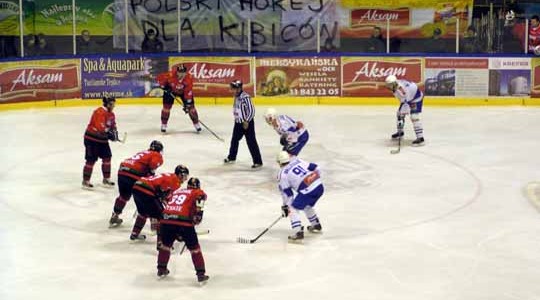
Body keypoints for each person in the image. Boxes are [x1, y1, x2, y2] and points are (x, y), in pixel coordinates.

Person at [157, 177, 209, 284]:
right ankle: (200, 274)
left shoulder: (177, 192)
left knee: (165, 245)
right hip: (183, 221)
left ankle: (161, 269)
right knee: (195, 248)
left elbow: (166, 199)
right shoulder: (197, 192)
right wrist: (198, 217)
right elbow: (200, 199)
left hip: (166, 219)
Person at [108, 140, 164, 227]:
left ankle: (115, 215)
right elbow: (153, 165)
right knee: (149, 196)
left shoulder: (143, 152)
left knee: (124, 196)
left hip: (123, 171)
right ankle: (154, 223)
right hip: (135, 174)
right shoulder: (157, 155)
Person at [129, 165, 189, 242]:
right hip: (147, 189)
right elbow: (161, 193)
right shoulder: (175, 181)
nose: (185, 179)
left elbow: (164, 195)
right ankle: (161, 243)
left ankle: (134, 233)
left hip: (137, 186)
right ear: (180, 174)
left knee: (143, 213)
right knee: (162, 217)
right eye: (185, 176)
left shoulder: (170, 176)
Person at [276, 151, 324, 242]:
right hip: (319, 186)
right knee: (307, 205)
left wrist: (286, 207)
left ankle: (298, 232)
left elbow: (288, 194)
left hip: (308, 191)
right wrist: (315, 180)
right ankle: (316, 225)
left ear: (279, 162)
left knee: (292, 208)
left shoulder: (282, 174)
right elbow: (315, 167)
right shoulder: (297, 161)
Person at [82, 97, 120, 189]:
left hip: (102, 140)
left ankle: (106, 179)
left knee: (107, 157)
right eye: (112, 104)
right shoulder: (99, 112)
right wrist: (109, 134)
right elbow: (100, 127)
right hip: (92, 139)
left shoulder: (111, 114)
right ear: (107, 104)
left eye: (114, 104)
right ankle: (85, 181)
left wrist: (114, 132)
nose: (113, 106)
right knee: (91, 160)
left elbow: (113, 125)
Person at [224, 80, 263, 169]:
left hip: (247, 124)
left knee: (251, 142)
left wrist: (247, 121)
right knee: (234, 140)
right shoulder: (236, 97)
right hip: (238, 123)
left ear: (239, 89)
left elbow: (252, 111)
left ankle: (258, 161)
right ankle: (232, 157)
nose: (232, 90)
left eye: (233, 89)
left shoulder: (245, 97)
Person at [156, 64, 201, 133]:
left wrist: (187, 105)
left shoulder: (189, 78)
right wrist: (165, 87)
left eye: (183, 72)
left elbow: (188, 92)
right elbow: (158, 79)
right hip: (170, 91)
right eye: (180, 72)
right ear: (177, 72)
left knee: (191, 108)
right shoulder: (170, 75)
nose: (182, 74)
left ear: (186, 72)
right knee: (166, 108)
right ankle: (163, 124)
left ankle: (196, 123)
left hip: (183, 92)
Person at [384, 75, 425, 146]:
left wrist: (401, 116)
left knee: (414, 117)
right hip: (409, 97)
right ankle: (400, 132)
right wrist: (401, 116)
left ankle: (420, 139)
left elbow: (406, 103)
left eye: (390, 85)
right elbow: (403, 101)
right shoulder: (396, 85)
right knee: (399, 114)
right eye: (388, 85)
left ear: (394, 83)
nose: (389, 87)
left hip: (416, 98)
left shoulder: (402, 91)